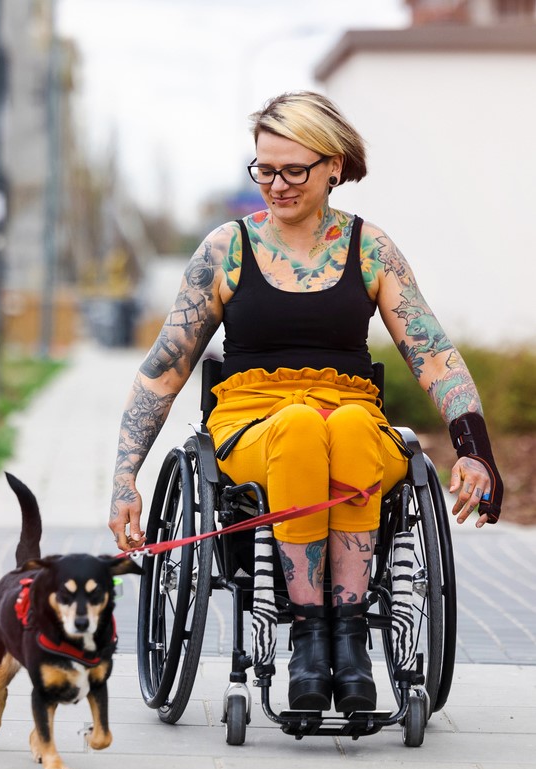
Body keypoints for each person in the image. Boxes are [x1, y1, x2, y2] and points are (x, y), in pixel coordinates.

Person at [109, 91, 503, 713]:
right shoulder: (226, 249)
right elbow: (164, 370)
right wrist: (125, 478)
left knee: (345, 425)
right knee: (297, 424)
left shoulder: (370, 248)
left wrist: (475, 451)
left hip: (351, 412)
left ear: (334, 167)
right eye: (264, 169)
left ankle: (347, 640)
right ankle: (308, 635)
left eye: (294, 169)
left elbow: (434, 354)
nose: (277, 184)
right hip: (251, 423)